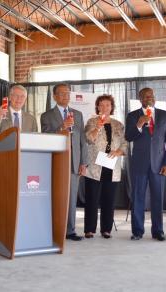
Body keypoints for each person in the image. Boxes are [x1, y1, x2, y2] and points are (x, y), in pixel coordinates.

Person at [125, 87, 166, 241]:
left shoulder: (164, 115)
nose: (149, 98)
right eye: (146, 96)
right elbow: (128, 136)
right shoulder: (133, 116)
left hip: (159, 164)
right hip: (139, 164)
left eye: (151, 96)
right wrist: (139, 125)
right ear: (140, 99)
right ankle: (137, 231)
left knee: (157, 198)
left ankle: (158, 231)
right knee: (138, 197)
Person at [41, 83, 88, 241]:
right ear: (54, 96)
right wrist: (62, 127)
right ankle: (54, 229)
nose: (66, 96)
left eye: (68, 93)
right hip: (56, 161)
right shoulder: (46, 116)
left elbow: (82, 141)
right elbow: (46, 138)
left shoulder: (78, 114)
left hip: (74, 163)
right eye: (62, 94)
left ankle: (70, 230)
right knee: (55, 197)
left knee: (71, 198)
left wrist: (83, 163)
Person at [84, 94, 127, 239]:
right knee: (92, 199)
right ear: (97, 107)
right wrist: (97, 128)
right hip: (95, 166)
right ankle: (89, 229)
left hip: (112, 165)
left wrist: (119, 151)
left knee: (109, 199)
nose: (104, 108)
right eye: (101, 105)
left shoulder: (118, 124)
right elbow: (89, 139)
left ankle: (106, 229)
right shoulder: (91, 122)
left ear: (112, 107)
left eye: (107, 105)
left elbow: (125, 143)